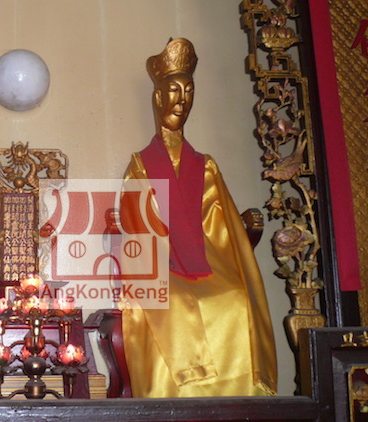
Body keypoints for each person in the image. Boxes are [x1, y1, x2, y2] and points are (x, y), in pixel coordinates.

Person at [121, 38, 277, 397]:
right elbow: (138, 226)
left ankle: (242, 397)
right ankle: (180, 396)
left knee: (235, 297)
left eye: (188, 91)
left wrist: (223, 244)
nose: (181, 100)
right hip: (160, 263)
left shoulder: (205, 165)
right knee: (172, 300)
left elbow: (223, 226)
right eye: (173, 90)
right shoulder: (140, 166)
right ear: (157, 97)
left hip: (207, 260)